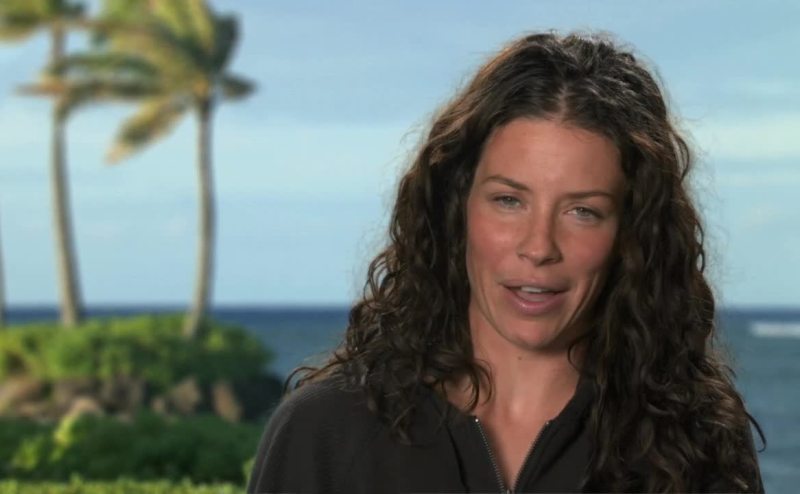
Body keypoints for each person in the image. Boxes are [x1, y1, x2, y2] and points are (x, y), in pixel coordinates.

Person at [247, 31, 764, 493]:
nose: (539, 247)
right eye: (509, 200)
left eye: (583, 211)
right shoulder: (327, 432)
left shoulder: (693, 446)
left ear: (631, 234)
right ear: (457, 208)